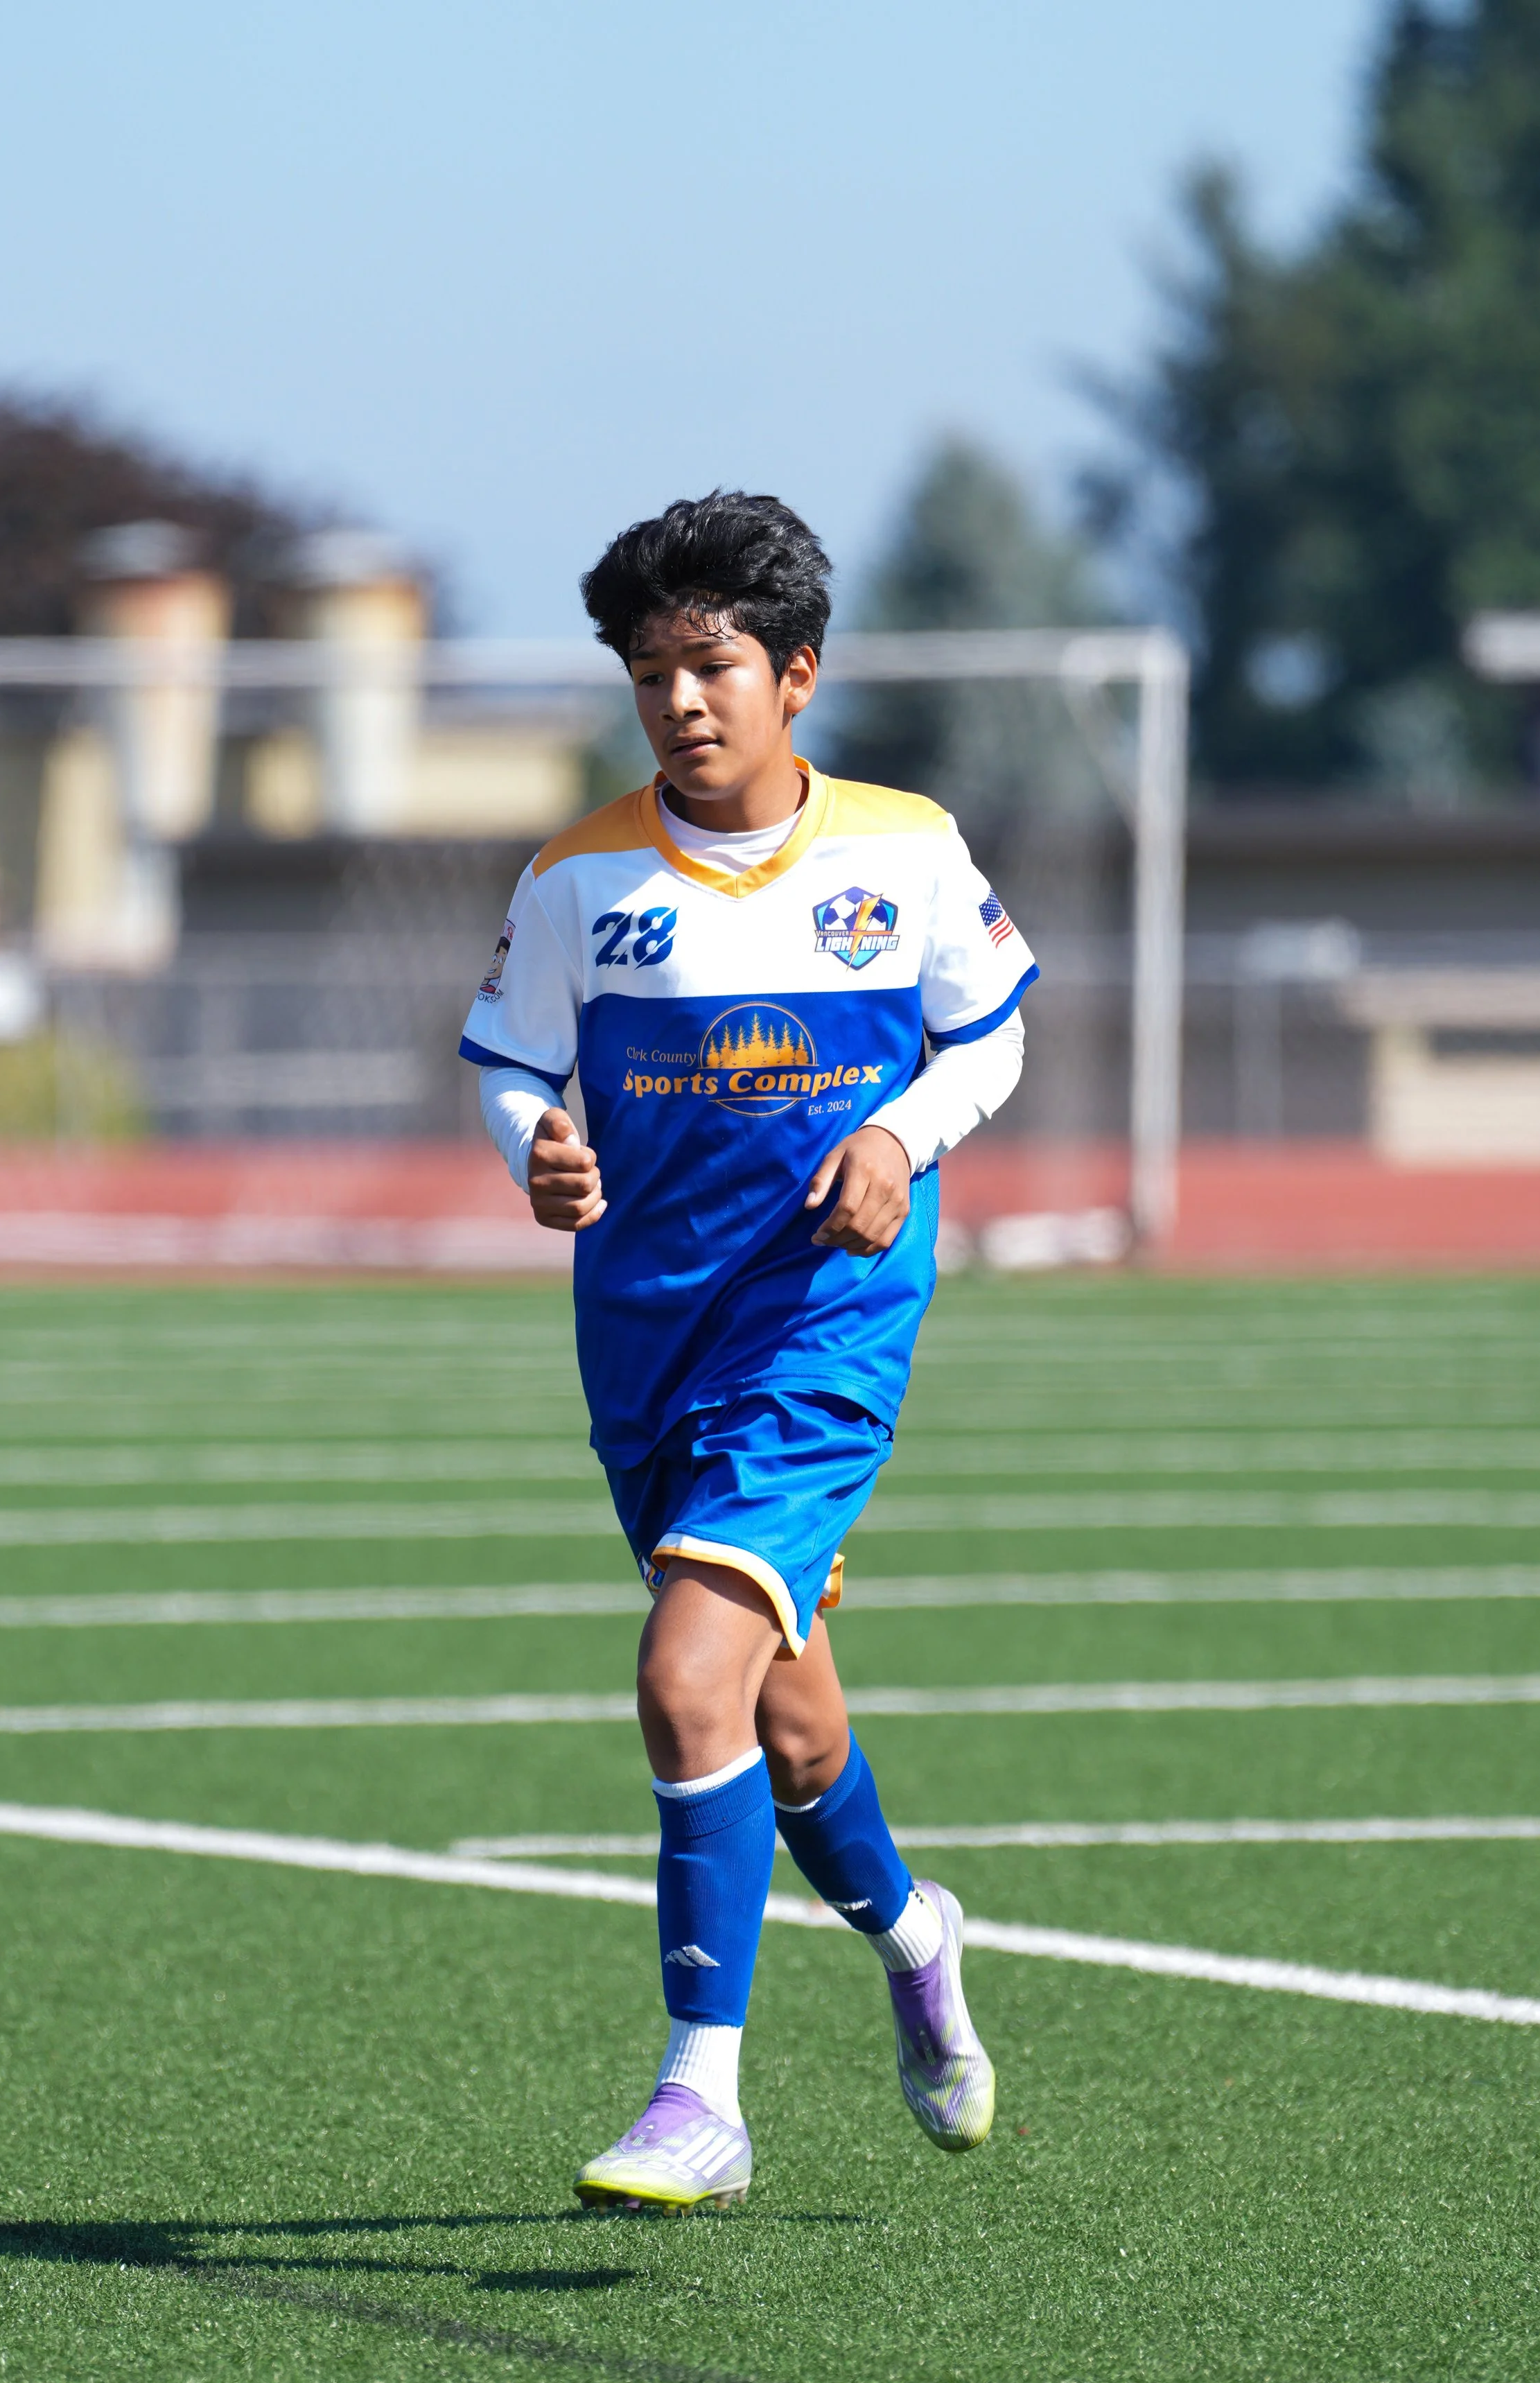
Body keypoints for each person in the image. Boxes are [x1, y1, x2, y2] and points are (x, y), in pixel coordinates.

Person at [461, 491, 1035, 2212]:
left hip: (820, 1329)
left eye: (709, 665)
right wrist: (535, 1150)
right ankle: (915, 1931)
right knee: (784, 1735)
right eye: (649, 674)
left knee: (681, 1678)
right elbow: (509, 1064)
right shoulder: (577, 877)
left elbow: (989, 1041)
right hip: (643, 1333)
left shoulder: (905, 849)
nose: (679, 703)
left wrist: (900, 1143)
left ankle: (697, 2089)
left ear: (795, 673)